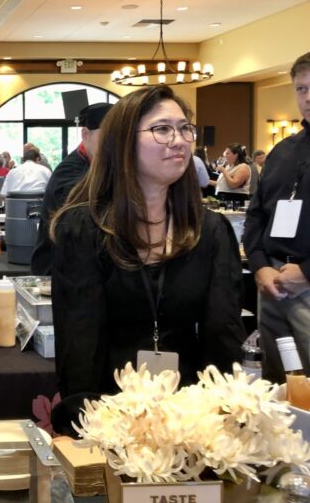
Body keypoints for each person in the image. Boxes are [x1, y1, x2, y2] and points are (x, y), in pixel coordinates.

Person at [49, 86, 245, 435]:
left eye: (185, 128)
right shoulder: (84, 228)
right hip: (108, 410)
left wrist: (221, 417)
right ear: (124, 142)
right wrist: (91, 423)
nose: (179, 140)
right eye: (162, 129)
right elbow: (79, 339)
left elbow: (223, 335)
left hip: (190, 414)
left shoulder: (210, 230)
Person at [243, 51, 310, 384]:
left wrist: (307, 273)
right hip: (271, 286)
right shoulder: (283, 151)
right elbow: (255, 216)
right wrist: (260, 266)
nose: (308, 97)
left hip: (308, 289)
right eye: (301, 89)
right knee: (275, 386)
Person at [31, 102, 112, 275]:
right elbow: (92, 210)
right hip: (57, 271)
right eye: (107, 136)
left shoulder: (103, 166)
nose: (113, 145)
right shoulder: (68, 171)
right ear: (85, 135)